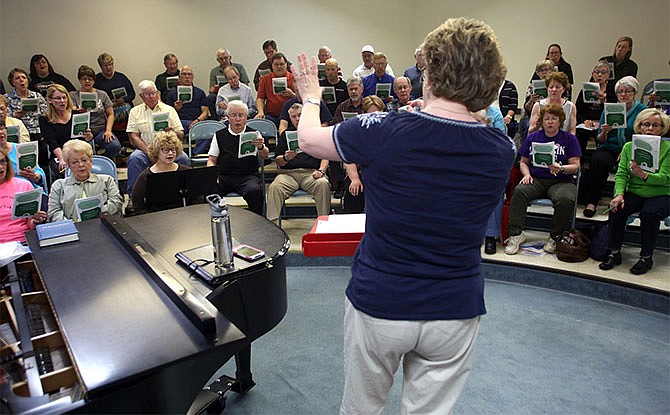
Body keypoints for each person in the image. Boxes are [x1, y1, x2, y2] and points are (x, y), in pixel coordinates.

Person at [292, 17, 515, 414]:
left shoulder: (385, 129)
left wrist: (311, 95)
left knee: (362, 408)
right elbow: (458, 132)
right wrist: (427, 111)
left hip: (381, 300)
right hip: (455, 307)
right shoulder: (501, 150)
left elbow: (309, 138)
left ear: (429, 73)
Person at [599, 109, 670, 275]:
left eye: (655, 125)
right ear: (640, 126)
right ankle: (614, 252)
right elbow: (622, 174)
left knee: (649, 214)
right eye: (646, 124)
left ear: (662, 128)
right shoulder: (629, 146)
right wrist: (619, 194)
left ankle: (646, 257)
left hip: (662, 193)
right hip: (636, 191)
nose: (650, 128)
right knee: (617, 207)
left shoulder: (667, 149)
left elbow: (666, 178)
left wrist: (643, 175)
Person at [505, 104, 582, 255]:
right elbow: (523, 162)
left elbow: (576, 166)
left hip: (562, 180)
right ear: (542, 121)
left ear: (560, 121)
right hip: (537, 178)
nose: (550, 122)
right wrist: (526, 174)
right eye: (547, 119)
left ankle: (555, 237)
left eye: (554, 119)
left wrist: (561, 168)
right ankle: (516, 234)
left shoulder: (569, 139)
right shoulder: (533, 137)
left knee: (566, 199)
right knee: (520, 191)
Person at [582, 76, 647, 217]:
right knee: (599, 160)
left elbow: (644, 138)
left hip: (631, 150)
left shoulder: (643, 111)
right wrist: (604, 132)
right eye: (620, 92)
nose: (623, 95)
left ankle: (622, 202)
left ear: (634, 93)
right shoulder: (610, 109)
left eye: (627, 91)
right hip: (610, 147)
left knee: (629, 166)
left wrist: (627, 151)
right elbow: (600, 139)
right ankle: (591, 202)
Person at [266, 103, 331, 223]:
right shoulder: (285, 135)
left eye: (300, 115)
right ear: (290, 119)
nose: (297, 119)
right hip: (288, 174)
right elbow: (278, 161)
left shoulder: (316, 133)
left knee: (323, 184)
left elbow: (326, 155)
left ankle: (323, 223)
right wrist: (285, 158)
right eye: (294, 117)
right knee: (274, 187)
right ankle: (273, 228)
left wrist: (321, 170)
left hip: (311, 173)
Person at [125, 80, 190, 196]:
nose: (151, 96)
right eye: (147, 94)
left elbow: (181, 134)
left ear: (158, 93)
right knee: (135, 158)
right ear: (141, 96)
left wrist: (173, 131)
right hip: (146, 149)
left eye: (153, 93)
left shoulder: (169, 110)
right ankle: (133, 195)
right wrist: (149, 152)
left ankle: (186, 191)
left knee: (184, 158)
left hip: (169, 149)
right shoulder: (135, 112)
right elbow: (134, 136)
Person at [207, 100, 269, 216]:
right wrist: (212, 176)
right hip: (224, 176)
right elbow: (212, 159)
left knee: (255, 192)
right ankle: (214, 220)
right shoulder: (219, 135)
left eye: (241, 115)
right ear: (228, 118)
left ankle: (257, 222)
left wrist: (261, 147)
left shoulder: (254, 133)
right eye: (234, 115)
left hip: (247, 176)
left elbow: (265, 156)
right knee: (209, 189)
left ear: (246, 118)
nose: (237, 119)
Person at [47, 139, 122, 221]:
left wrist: (96, 215)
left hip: (103, 223)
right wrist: (71, 224)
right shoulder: (58, 186)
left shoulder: (107, 180)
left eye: (84, 160)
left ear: (90, 161)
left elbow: (116, 203)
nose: (81, 165)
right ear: (68, 165)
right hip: (71, 228)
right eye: (75, 162)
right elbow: (53, 213)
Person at [39, 84, 94, 179]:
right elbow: (52, 143)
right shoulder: (45, 119)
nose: (62, 101)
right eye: (58, 98)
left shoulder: (77, 115)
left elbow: (85, 140)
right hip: (60, 155)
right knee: (64, 170)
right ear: (49, 100)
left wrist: (89, 136)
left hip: (80, 153)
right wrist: (62, 159)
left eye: (64, 98)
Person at [341, 96, 385, 213]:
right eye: (371, 114)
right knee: (354, 188)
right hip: (360, 173)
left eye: (378, 113)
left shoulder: (390, 131)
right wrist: (354, 178)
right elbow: (348, 158)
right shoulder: (355, 132)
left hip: (382, 174)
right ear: (363, 114)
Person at [131, 130, 192, 214]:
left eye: (173, 150)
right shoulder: (145, 176)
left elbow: (196, 198)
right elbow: (137, 203)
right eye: (165, 150)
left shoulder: (186, 171)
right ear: (157, 151)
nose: (170, 153)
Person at [70, 65, 121, 160]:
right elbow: (69, 112)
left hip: (100, 130)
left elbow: (110, 114)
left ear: (94, 80)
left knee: (115, 146)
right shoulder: (73, 96)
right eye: (84, 79)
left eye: (90, 79)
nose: (87, 81)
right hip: (81, 132)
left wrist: (108, 131)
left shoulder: (102, 94)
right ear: (79, 80)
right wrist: (76, 110)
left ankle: (103, 162)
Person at [0, 146, 47, 244]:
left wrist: (35, 220)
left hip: (22, 241)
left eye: (2, 161)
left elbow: (30, 223)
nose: (1, 167)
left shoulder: (24, 185)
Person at [5, 68, 49, 169]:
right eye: (17, 78)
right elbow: (5, 119)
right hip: (20, 134)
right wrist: (17, 116)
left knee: (43, 154)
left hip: (38, 132)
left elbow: (46, 113)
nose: (21, 80)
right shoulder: (8, 98)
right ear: (12, 82)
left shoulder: (36, 96)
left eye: (24, 78)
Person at [575, 61, 617, 154]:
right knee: (580, 133)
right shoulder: (585, 90)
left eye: (603, 72)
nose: (599, 75)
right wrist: (584, 120)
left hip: (603, 123)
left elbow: (614, 111)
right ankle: (579, 162)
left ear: (608, 75)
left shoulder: (612, 90)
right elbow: (577, 110)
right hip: (588, 123)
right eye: (597, 72)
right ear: (593, 74)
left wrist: (604, 102)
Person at [94, 53, 135, 139]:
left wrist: (123, 100)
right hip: (107, 108)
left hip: (123, 105)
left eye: (110, 64)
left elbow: (132, 94)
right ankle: (113, 137)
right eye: (105, 65)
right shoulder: (97, 80)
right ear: (100, 66)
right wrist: (109, 103)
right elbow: (95, 98)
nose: (108, 67)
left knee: (127, 109)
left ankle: (129, 138)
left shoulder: (121, 77)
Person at [0, 123, 47, 193]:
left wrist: (35, 176)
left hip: (30, 190)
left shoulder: (21, 149)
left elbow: (39, 172)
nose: (1, 132)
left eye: (2, 128)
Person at [528, 71, 577, 136]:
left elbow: (572, 131)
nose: (554, 90)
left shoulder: (570, 106)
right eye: (551, 87)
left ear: (564, 89)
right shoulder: (538, 105)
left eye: (557, 87)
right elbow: (530, 132)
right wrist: (536, 126)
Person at [255, 53, 296, 126]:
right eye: (276, 64)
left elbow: (302, 98)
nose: (279, 67)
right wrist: (260, 112)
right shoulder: (265, 79)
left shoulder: (294, 78)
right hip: (272, 116)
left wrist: (292, 95)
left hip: (291, 116)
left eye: (282, 64)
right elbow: (260, 98)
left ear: (286, 65)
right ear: (272, 66)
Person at [164, 65, 209, 134]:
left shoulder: (200, 92)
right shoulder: (172, 94)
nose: (187, 76)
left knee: (209, 131)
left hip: (197, 121)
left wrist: (197, 121)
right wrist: (176, 109)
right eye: (184, 74)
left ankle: (199, 145)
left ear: (193, 77)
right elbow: (168, 115)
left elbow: (205, 112)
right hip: (179, 122)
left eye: (189, 74)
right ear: (180, 77)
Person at [519, 60, 554, 141]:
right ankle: (527, 149)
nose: (544, 72)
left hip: (553, 114)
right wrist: (531, 100)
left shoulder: (556, 86)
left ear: (552, 71)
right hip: (533, 115)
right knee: (528, 125)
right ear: (537, 73)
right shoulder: (532, 87)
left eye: (547, 70)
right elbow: (527, 108)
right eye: (541, 70)